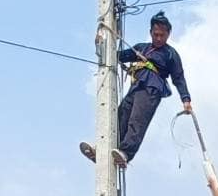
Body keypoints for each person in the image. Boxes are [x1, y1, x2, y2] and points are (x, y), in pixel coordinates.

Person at [81, 10, 191, 168]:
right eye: (155, 34)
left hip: (151, 88)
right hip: (137, 86)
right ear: (150, 32)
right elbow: (119, 55)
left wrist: (186, 99)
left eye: (162, 35)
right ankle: (103, 149)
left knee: (137, 120)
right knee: (120, 116)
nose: (158, 38)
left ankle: (126, 153)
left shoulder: (170, 54)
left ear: (168, 34)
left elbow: (179, 78)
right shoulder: (142, 48)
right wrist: (103, 44)